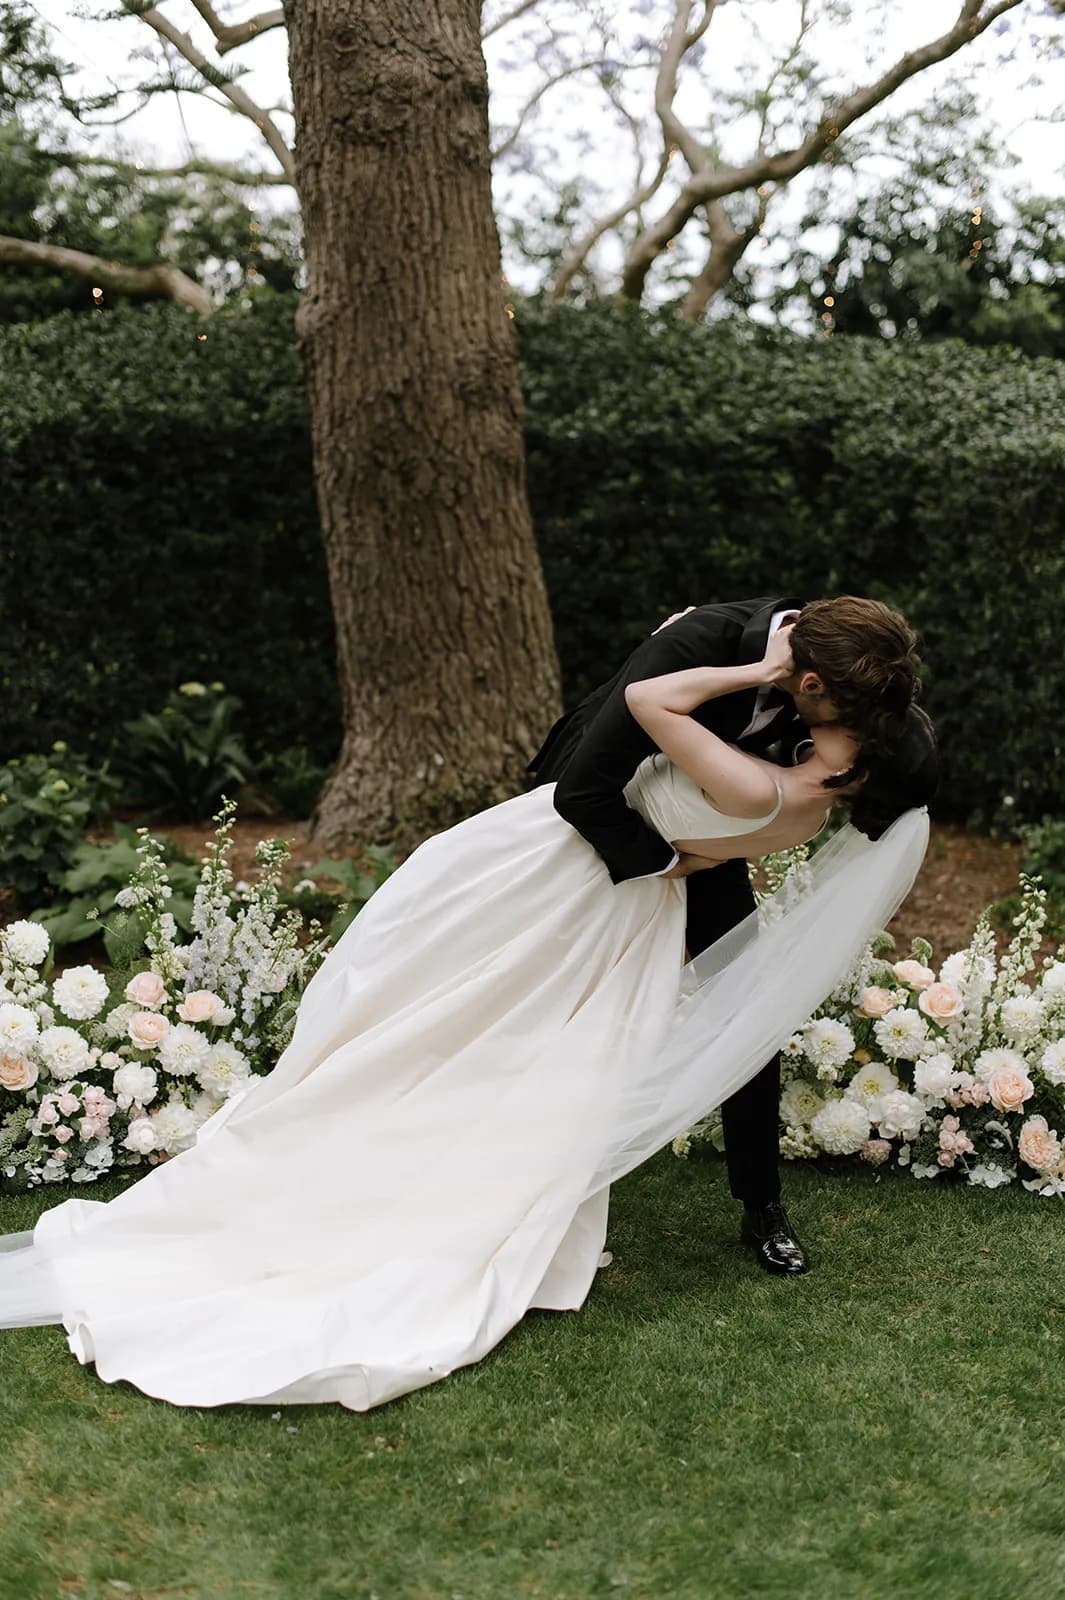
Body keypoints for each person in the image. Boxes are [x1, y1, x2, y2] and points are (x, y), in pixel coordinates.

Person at [0, 619, 936, 1412]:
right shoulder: (767, 742)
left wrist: (740, 707)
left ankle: (748, 1198)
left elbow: (667, 724)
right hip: (577, 846)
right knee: (459, 1018)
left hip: (625, 876)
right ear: (815, 683)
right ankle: (392, 1132)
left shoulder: (782, 764)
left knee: (647, 1030)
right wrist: (669, 857)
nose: (828, 730)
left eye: (846, 733)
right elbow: (589, 781)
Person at [529, 594, 927, 1274]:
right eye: (850, 719)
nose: (859, 732)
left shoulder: (838, 659)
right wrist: (665, 866)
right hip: (599, 831)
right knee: (568, 1005)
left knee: (746, 1004)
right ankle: (534, 1177)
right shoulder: (697, 648)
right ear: (806, 684)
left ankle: (761, 1207)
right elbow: (582, 793)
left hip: (703, 831)